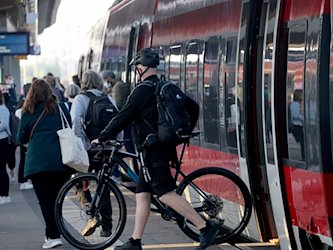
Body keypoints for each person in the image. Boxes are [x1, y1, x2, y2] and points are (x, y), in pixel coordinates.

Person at [94, 48, 219, 250]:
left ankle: (205, 227)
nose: (136, 71)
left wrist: (101, 138)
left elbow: (123, 116)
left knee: (164, 193)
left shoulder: (142, 90)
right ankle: (135, 242)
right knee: (143, 193)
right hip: (160, 147)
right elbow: (193, 107)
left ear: (142, 68)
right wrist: (180, 136)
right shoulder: (165, 86)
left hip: (153, 150)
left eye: (137, 67)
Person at [16, 79, 73, 249]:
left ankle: (53, 235)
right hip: (61, 161)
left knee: (45, 200)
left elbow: (20, 138)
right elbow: (68, 127)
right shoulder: (61, 108)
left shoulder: (27, 111)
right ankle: (56, 231)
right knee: (57, 198)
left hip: (38, 163)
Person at [70, 70, 120, 237]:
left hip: (90, 149)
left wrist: (82, 145)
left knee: (79, 181)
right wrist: (116, 144)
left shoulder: (80, 99)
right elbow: (117, 121)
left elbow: (76, 123)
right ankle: (107, 227)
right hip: (107, 149)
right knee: (103, 185)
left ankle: (92, 215)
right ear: (99, 82)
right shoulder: (108, 98)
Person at [15, 82, 33, 190]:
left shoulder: (20, 105)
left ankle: (23, 180)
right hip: (27, 137)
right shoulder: (26, 106)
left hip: (23, 137)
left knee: (23, 159)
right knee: (24, 160)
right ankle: (23, 180)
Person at [1, 74, 18, 182]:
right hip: (3, 136)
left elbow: (14, 104)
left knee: (11, 156)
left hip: (9, 133)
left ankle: (11, 170)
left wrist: (10, 90)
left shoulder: (9, 102)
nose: (4, 91)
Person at [0, 93, 12, 204]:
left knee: (2, 169)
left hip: (2, 140)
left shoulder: (2, 109)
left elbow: (3, 124)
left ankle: (5, 194)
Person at [290, 89, 305, 159]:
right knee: (302, 142)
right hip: (297, 126)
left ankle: (303, 156)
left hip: (299, 125)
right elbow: (295, 115)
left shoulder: (297, 104)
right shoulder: (295, 104)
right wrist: (303, 118)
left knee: (302, 142)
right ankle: (303, 157)